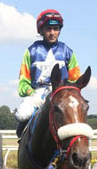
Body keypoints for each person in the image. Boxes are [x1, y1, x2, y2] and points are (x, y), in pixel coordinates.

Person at [15, 9, 81, 137]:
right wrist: (32, 94)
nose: (52, 33)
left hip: (61, 93)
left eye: (55, 29)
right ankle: (22, 138)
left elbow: (75, 80)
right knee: (22, 114)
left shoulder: (68, 52)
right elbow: (23, 82)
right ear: (41, 30)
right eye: (48, 29)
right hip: (37, 93)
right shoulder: (31, 51)